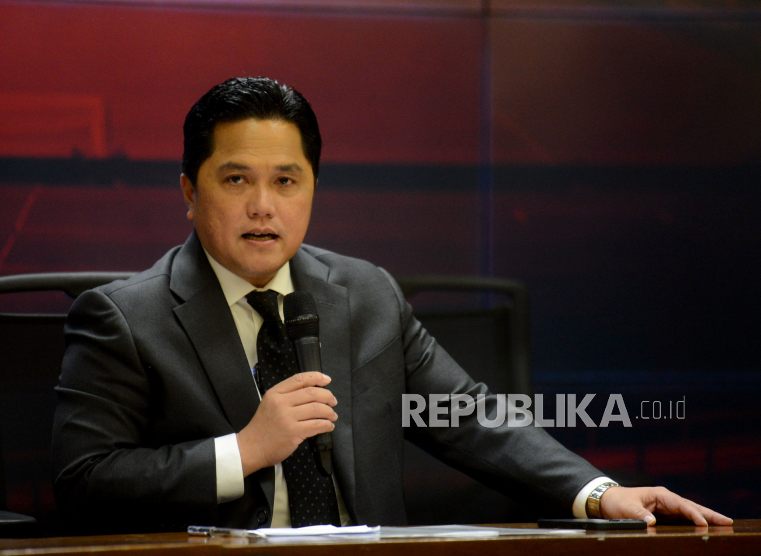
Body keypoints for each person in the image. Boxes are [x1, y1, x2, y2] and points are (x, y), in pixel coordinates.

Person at [51, 77, 732, 534]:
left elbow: (469, 418)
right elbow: (84, 482)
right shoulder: (123, 318)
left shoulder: (366, 294)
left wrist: (597, 492)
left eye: (286, 181)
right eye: (236, 180)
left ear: (313, 188)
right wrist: (245, 450)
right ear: (189, 193)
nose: (263, 206)